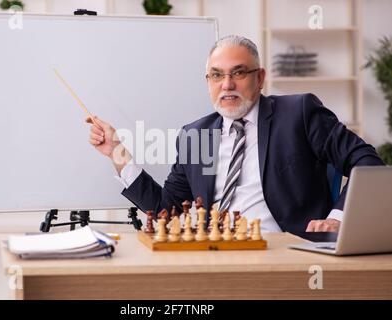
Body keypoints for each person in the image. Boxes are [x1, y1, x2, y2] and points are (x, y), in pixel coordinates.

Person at [86, 35, 384, 235]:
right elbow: (169, 210)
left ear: (260, 78)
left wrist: (337, 219)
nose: (227, 84)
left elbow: (367, 162)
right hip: (217, 254)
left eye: (238, 73)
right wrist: (118, 153)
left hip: (288, 254)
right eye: (217, 75)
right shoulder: (195, 134)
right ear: (208, 82)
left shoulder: (299, 113)